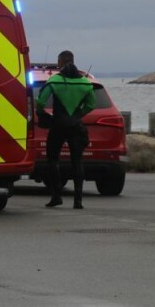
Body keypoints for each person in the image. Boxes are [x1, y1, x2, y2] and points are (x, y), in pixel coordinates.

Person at [35, 50, 95, 209]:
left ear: (60, 62)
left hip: (58, 125)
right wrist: (77, 115)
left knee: (53, 160)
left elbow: (40, 102)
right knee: (77, 161)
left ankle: (56, 196)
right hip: (76, 126)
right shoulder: (85, 82)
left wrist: (42, 113)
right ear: (74, 61)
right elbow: (91, 104)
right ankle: (78, 200)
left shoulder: (54, 80)